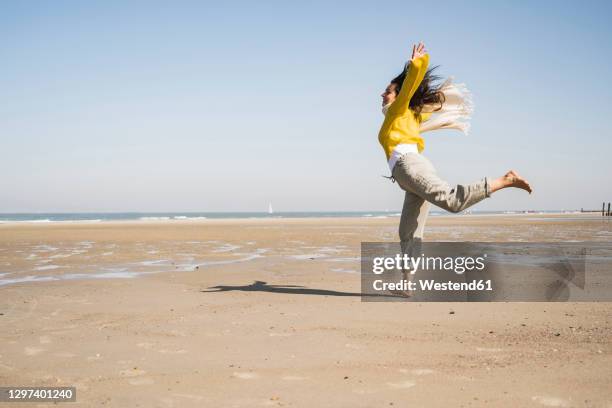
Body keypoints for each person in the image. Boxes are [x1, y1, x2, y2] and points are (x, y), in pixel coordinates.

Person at [378, 42, 532, 287]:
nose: (381, 95)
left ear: (398, 97)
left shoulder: (397, 110)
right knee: (408, 231)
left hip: (410, 167)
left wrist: (413, 66)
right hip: (407, 176)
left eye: (387, 91)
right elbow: (414, 98)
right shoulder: (407, 116)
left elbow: (409, 88)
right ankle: (408, 281)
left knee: (452, 201)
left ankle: (506, 180)